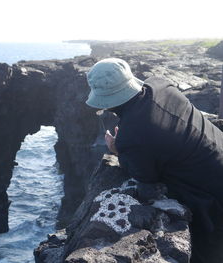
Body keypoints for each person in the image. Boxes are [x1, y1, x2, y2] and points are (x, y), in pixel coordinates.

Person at [85, 58, 223, 263]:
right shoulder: (160, 83)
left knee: (207, 253)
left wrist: (119, 150)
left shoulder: (132, 138)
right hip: (217, 151)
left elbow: (147, 181)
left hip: (213, 193)